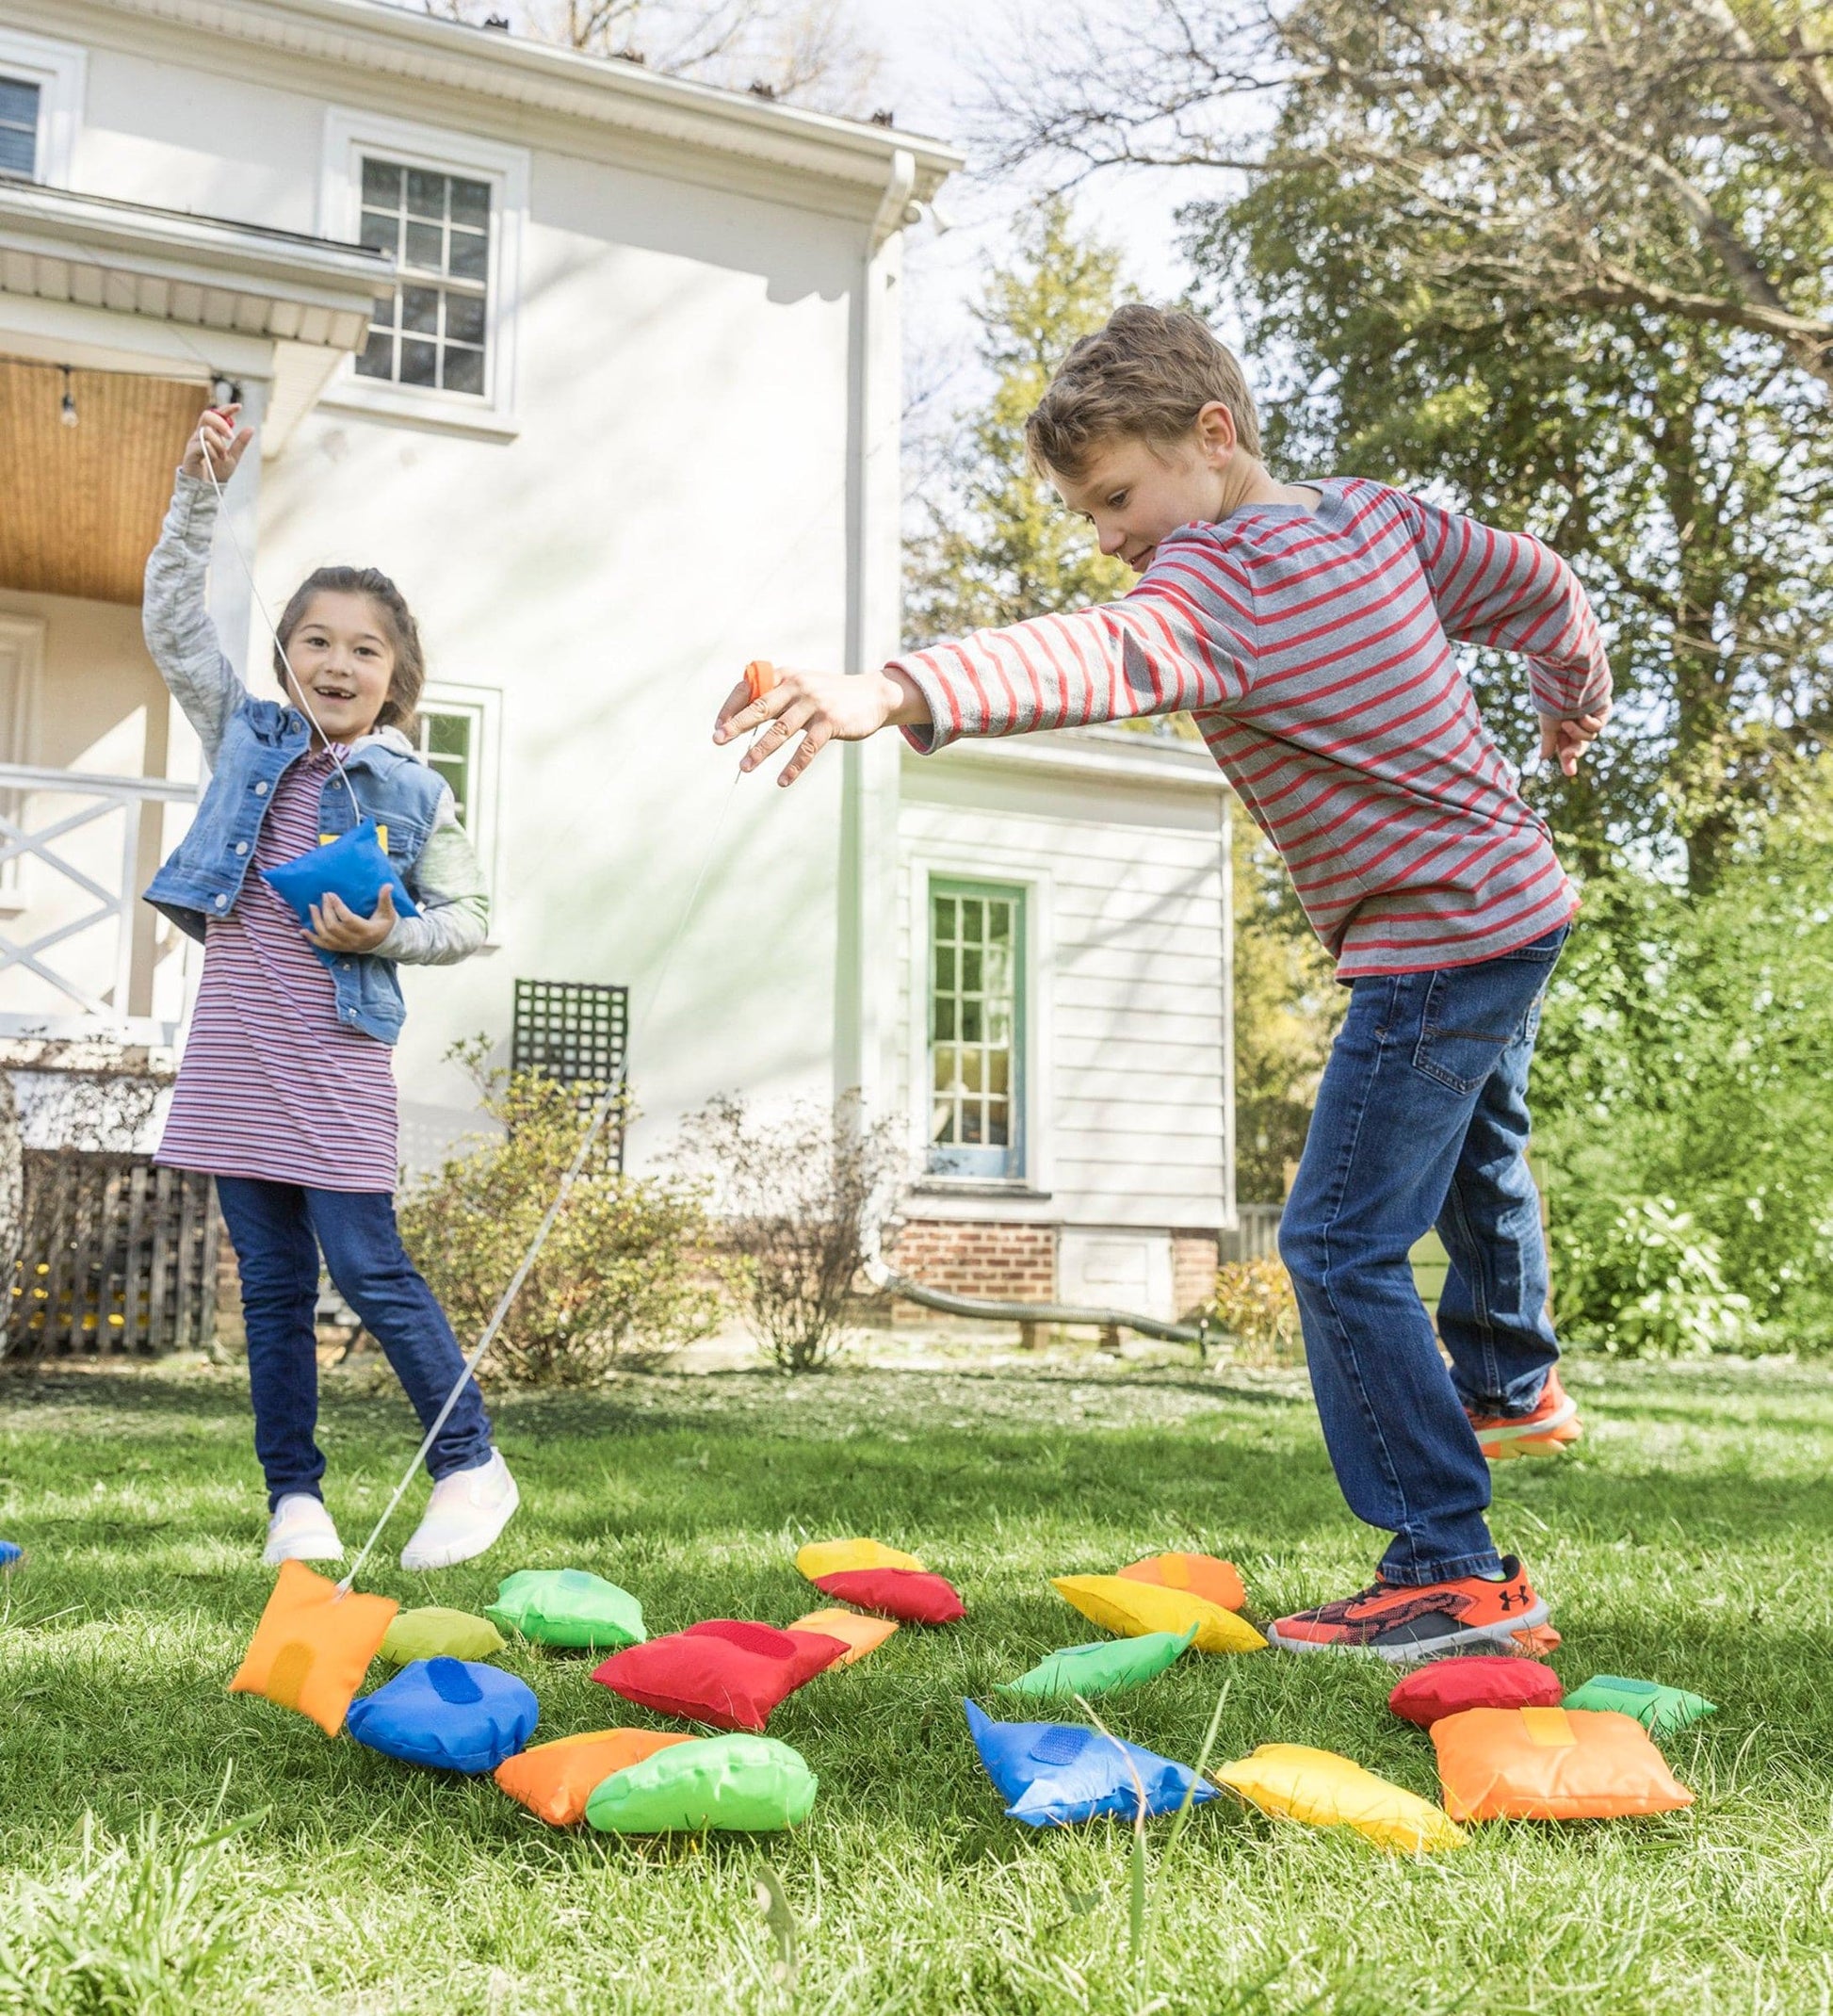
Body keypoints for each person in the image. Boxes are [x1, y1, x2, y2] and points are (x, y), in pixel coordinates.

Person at [713, 305, 1609, 1662]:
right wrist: (1570, 684)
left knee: (1336, 1242)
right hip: (1517, 903)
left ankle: (1450, 1565)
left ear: (1212, 434)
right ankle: (1506, 1377)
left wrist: (890, 690)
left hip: (1432, 940)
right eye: (1088, 514)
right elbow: (1535, 581)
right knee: (1479, 1139)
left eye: (1117, 497)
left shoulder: (1219, 582)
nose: (1109, 536)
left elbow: (1086, 653)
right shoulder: (1372, 520)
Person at [142, 403, 517, 1573]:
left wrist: (385, 932)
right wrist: (198, 490)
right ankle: (293, 1503)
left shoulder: (419, 791)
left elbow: (473, 919)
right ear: (286, 655)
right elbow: (169, 624)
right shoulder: (248, 737)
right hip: (233, 1057)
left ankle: (470, 1463)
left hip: (333, 1056)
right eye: (315, 640)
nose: (337, 661)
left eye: (363, 647)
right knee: (267, 1289)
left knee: (367, 1267)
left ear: (397, 673)